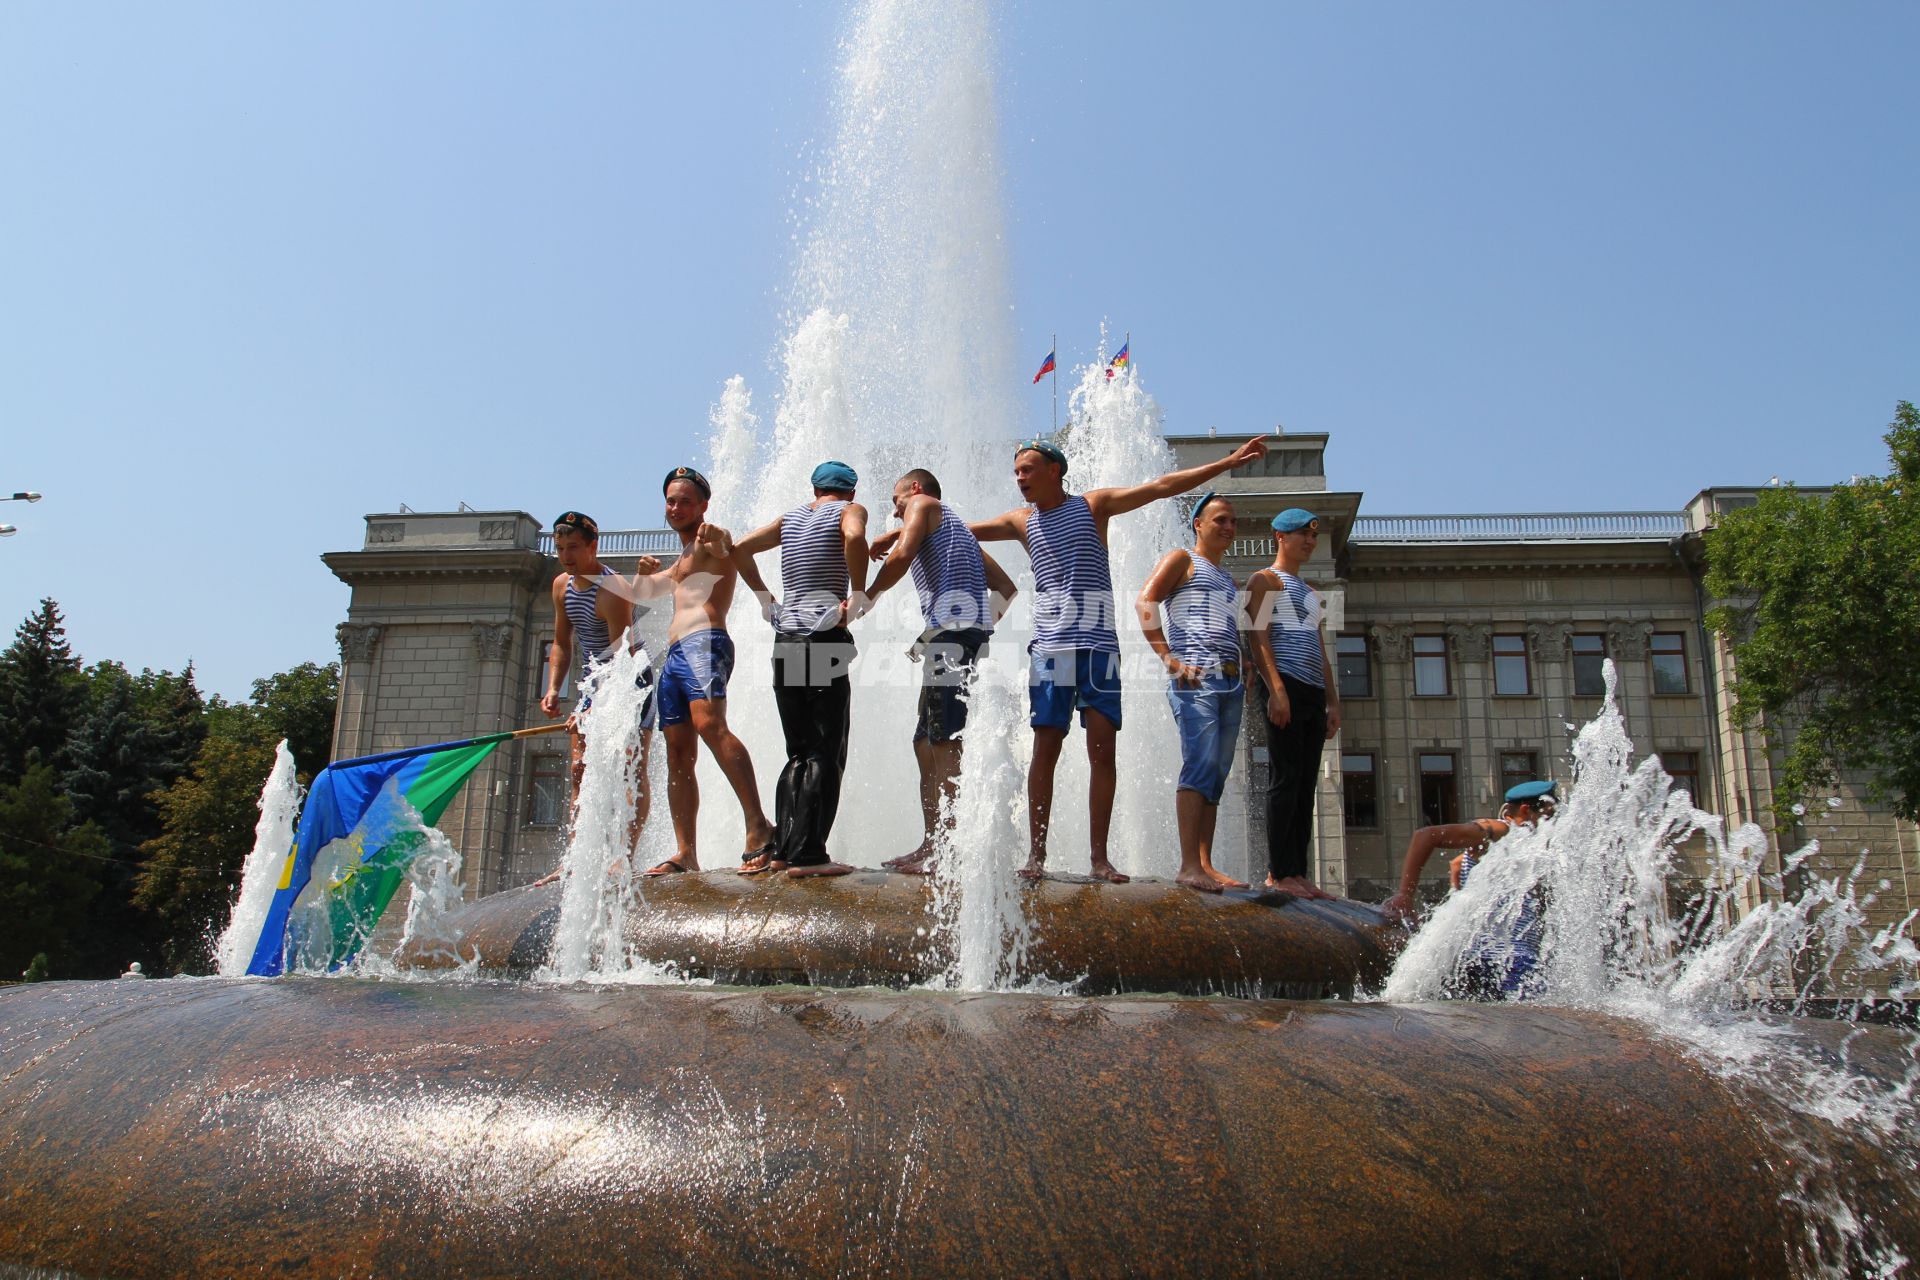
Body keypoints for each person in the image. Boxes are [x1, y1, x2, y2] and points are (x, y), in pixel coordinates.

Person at [917, 434, 1266, 882]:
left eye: (1027, 469)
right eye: (1016, 472)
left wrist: (1228, 461)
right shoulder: (1021, 521)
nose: (1020, 478)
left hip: (1099, 650)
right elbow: (952, 528)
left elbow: (1161, 486)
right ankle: (1036, 856)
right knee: (1046, 747)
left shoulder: (1092, 506)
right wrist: (899, 529)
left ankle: (1099, 858)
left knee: (1103, 750)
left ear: (1054, 471)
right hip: (1050, 649)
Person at [616, 468, 777, 876]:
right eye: (671, 500)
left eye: (685, 500)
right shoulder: (682, 559)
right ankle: (686, 852)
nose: (675, 507)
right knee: (677, 753)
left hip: (704, 643)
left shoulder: (708, 542)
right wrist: (641, 569)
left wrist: (719, 536)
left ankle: (759, 825)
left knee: (710, 724)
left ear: (702, 505)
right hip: (673, 656)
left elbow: (728, 546)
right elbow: (641, 593)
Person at [859, 467, 1018, 874]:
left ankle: (946, 849)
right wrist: (979, 627)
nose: (896, 513)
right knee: (926, 740)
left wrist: (868, 596)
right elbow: (1007, 588)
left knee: (944, 740)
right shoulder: (959, 531)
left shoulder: (923, 503)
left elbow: (904, 554)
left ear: (913, 490)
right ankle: (933, 842)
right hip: (954, 637)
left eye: (896, 503)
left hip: (949, 638)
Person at [730, 461, 870, 877]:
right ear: (851, 491)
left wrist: (764, 600)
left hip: (786, 638)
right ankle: (809, 857)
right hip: (823, 636)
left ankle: (783, 851)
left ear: (814, 488)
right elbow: (856, 537)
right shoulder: (850, 510)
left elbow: (738, 548)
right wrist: (858, 594)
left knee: (798, 751)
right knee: (826, 749)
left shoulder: (790, 519)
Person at [535, 511, 661, 883]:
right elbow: (561, 642)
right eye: (560, 548)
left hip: (631, 681)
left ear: (593, 546)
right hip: (595, 680)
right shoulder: (562, 586)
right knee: (579, 769)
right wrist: (554, 688)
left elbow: (621, 659)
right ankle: (574, 858)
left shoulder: (612, 589)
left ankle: (623, 855)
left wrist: (596, 709)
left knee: (629, 769)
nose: (566, 555)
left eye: (574, 547)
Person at [1136, 492, 1248, 893]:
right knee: (1199, 764)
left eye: (1233, 521)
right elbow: (1146, 601)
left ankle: (1205, 863)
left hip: (1230, 682)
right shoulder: (1183, 560)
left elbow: (1226, 627)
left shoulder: (1228, 580)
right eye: (1220, 520)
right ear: (1198, 524)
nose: (1229, 528)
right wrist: (1168, 657)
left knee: (1216, 773)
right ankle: (1188, 865)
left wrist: (1245, 664)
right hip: (1196, 680)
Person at [1379, 779, 1557, 1000]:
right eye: (1549, 813)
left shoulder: (1515, 847)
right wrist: (1406, 895)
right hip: (1507, 962)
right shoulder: (1503, 831)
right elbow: (1425, 835)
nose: (1553, 820)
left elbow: (1456, 865)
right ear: (1525, 810)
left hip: (1484, 959)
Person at [1244, 508, 1343, 899]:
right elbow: (1258, 637)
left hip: (1312, 692)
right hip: (1283, 685)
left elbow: (1320, 651)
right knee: (1284, 778)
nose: (1310, 542)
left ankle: (1299, 871)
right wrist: (1276, 689)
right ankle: (1279, 871)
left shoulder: (1311, 592)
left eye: (1313, 536)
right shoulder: (1266, 581)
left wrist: (1332, 702)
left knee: (1306, 781)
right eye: (1302, 534)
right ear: (1279, 537)